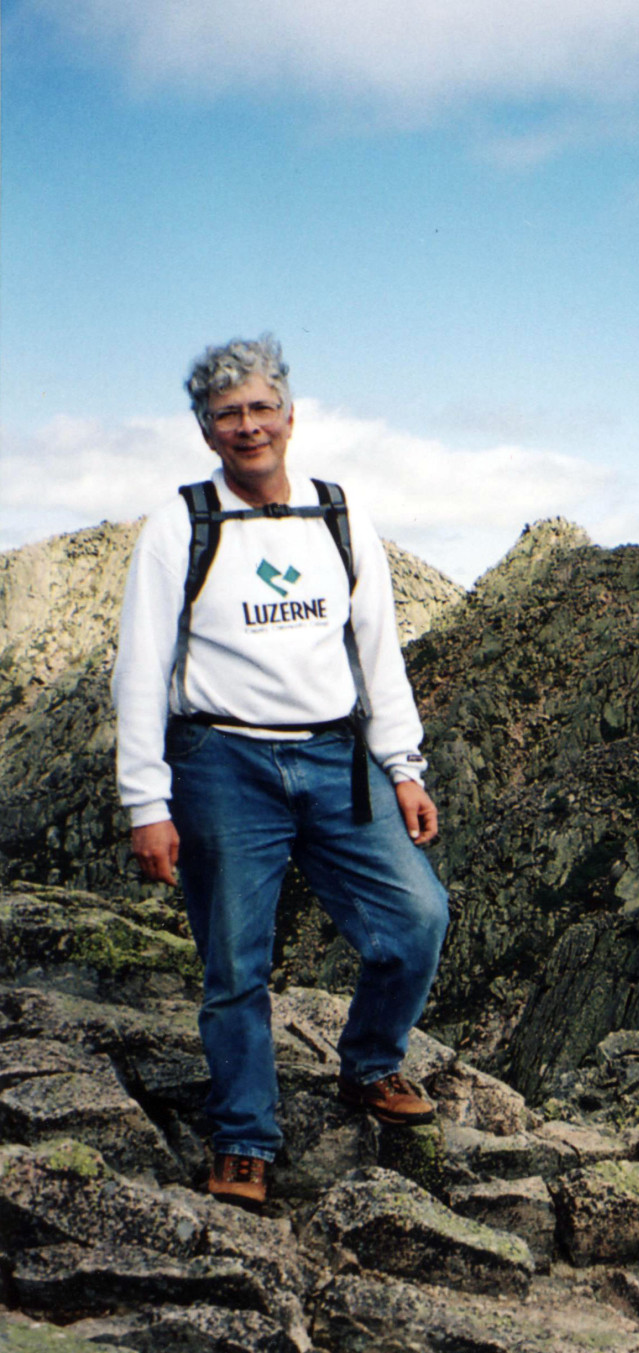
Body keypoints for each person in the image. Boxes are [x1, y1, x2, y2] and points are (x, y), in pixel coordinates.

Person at [112, 334, 449, 1210]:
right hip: (221, 760)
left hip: (339, 757)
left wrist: (403, 767)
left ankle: (369, 1063)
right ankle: (244, 1137)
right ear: (206, 431)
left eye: (262, 408)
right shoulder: (179, 525)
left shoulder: (338, 516)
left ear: (291, 417)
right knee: (235, 958)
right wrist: (147, 800)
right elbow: (141, 670)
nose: (248, 426)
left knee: (416, 917)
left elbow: (379, 651)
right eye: (228, 414)